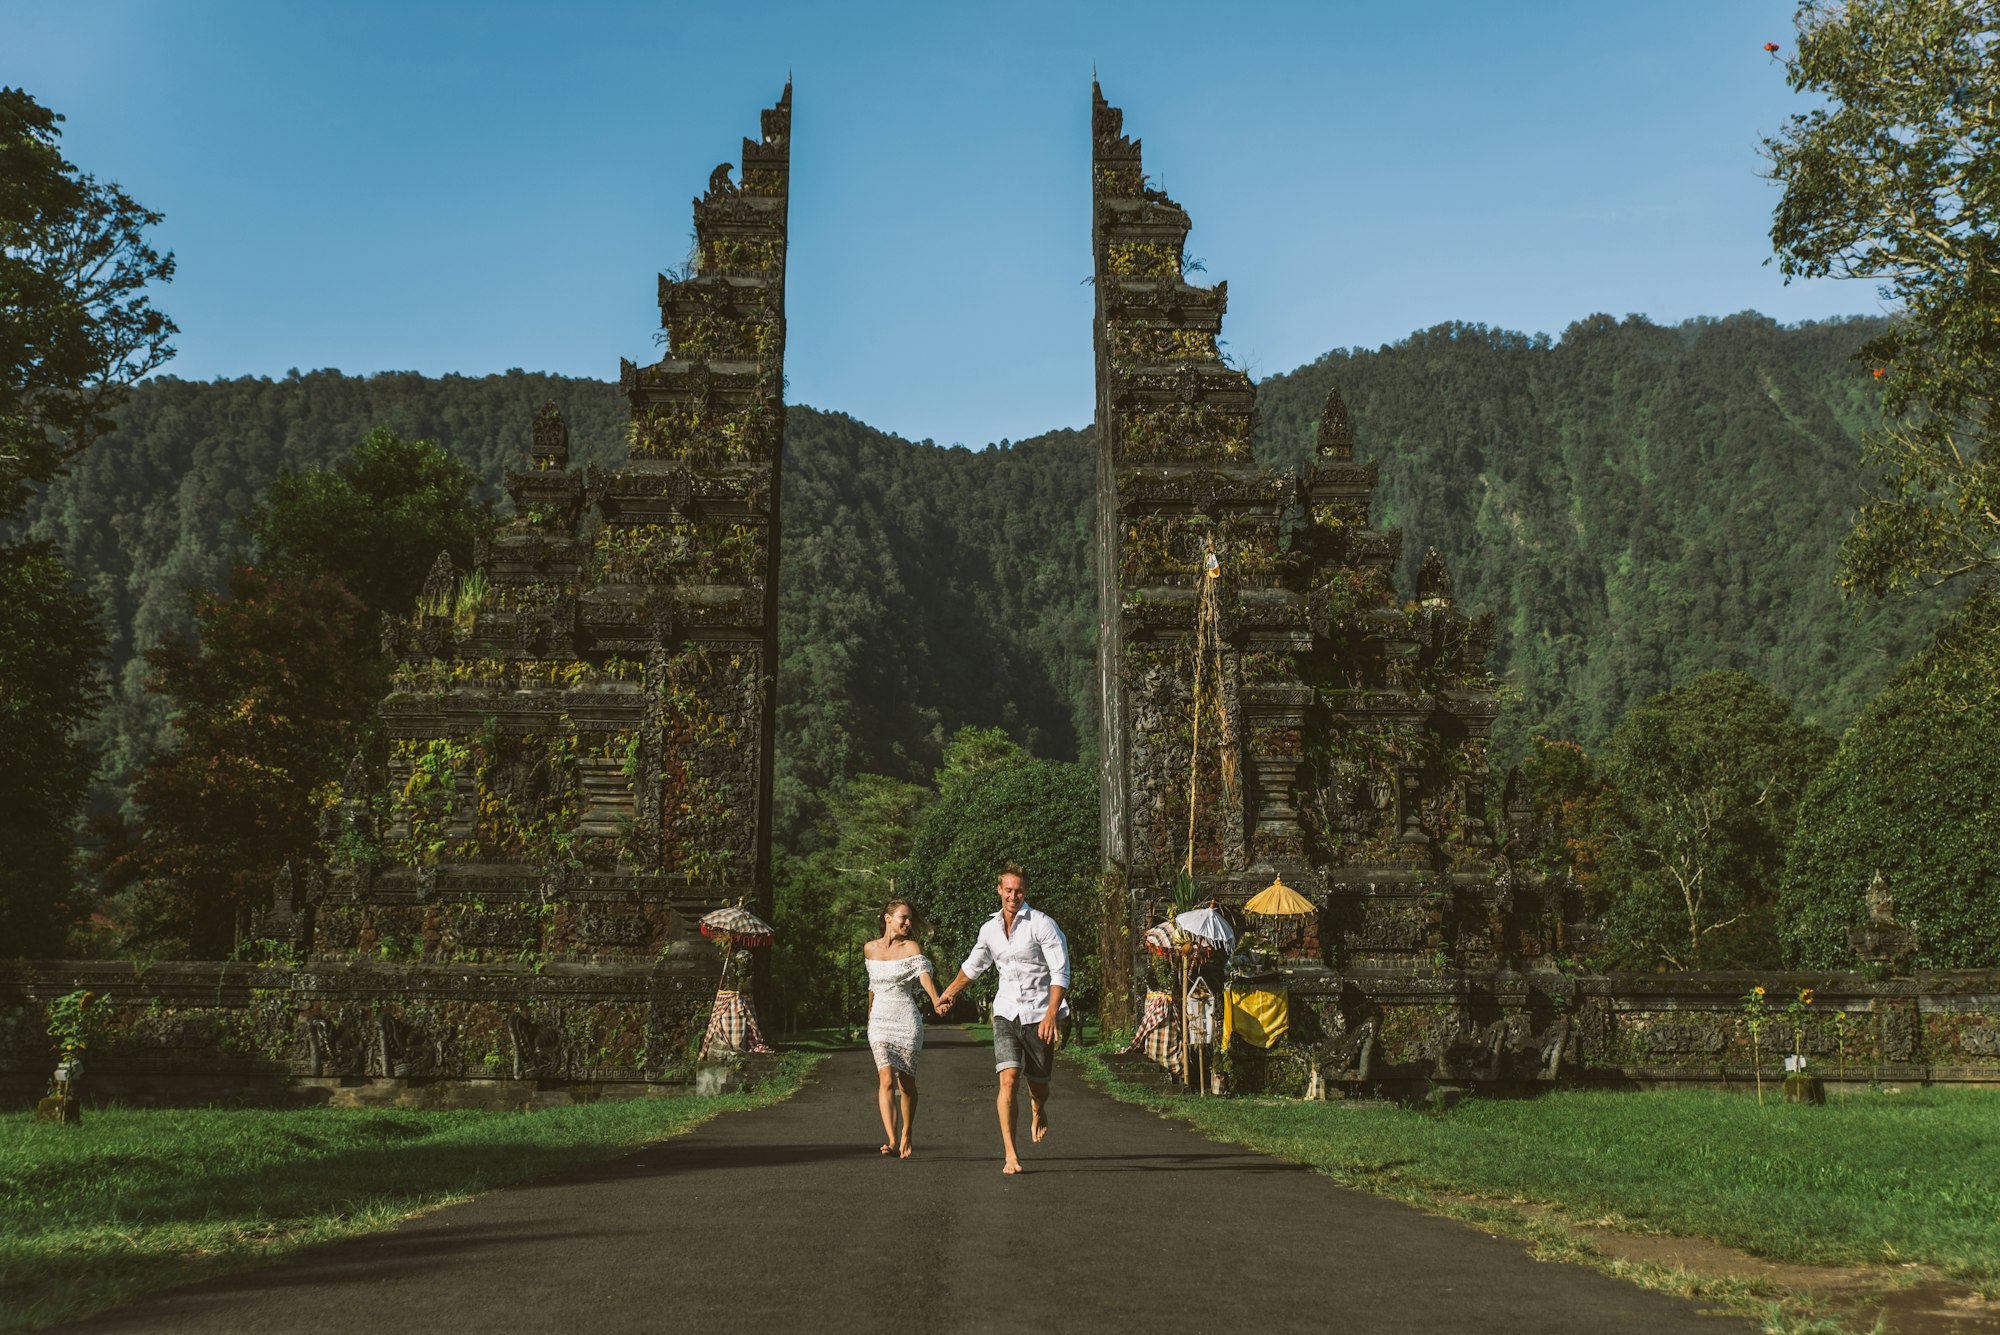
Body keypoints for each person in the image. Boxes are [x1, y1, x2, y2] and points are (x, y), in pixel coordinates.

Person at [934, 863, 1069, 1174]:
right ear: (999, 890)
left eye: (1018, 890)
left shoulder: (1042, 925)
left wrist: (1051, 1014)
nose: (1013, 896)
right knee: (1007, 1080)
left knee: (1039, 1086)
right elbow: (974, 966)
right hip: (1005, 1012)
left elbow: (1060, 972)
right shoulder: (990, 929)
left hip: (1038, 1014)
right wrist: (949, 993)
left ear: (1026, 891)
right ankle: (1011, 1154)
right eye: (1008, 890)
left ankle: (1038, 1107)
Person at [864, 899, 944, 1159]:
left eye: (910, 919)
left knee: (906, 1083)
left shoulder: (911, 947)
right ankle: (891, 1138)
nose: (908, 923)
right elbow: (872, 987)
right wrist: (869, 1019)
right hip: (879, 1021)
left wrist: (935, 1000)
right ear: (887, 918)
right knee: (886, 1079)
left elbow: (923, 975)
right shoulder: (869, 949)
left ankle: (907, 1133)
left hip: (906, 1020)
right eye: (903, 917)